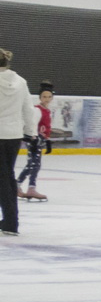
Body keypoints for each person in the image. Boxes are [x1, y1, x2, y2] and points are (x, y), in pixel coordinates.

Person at [0, 49, 31, 236]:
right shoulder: (20, 82)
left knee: (3, 179)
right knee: (7, 176)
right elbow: (27, 109)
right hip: (13, 135)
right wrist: (31, 132)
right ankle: (10, 219)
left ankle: (11, 221)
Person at [18, 81, 52, 201]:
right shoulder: (37, 110)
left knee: (32, 165)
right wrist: (32, 138)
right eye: (44, 97)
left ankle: (17, 186)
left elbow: (46, 128)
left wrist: (47, 141)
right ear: (39, 97)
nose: (46, 99)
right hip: (34, 139)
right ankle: (30, 188)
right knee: (34, 164)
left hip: (39, 140)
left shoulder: (47, 111)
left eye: (49, 97)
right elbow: (32, 124)